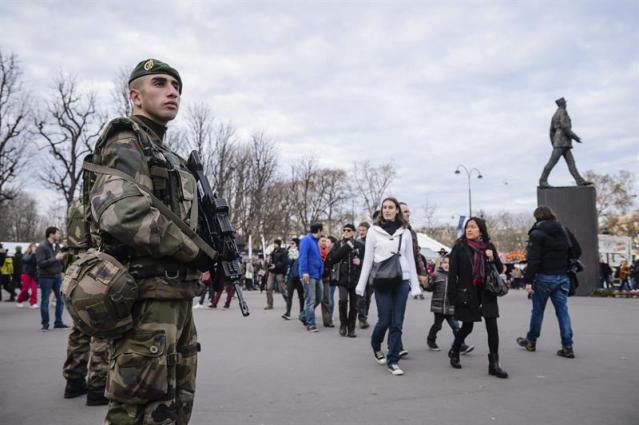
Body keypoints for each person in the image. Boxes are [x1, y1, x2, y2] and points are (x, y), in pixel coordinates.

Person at [89, 59, 206, 424]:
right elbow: (122, 212)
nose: (172, 91)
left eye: (177, 86)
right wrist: (195, 250)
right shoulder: (126, 138)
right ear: (135, 96)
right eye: (160, 83)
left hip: (174, 297)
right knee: (137, 409)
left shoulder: (164, 152)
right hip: (146, 299)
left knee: (173, 404)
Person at [356, 197, 422, 376]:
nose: (387, 210)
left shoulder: (405, 232)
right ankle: (376, 345)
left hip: (401, 280)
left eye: (391, 207)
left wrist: (415, 286)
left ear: (397, 211)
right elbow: (368, 260)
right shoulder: (373, 231)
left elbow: (411, 259)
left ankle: (393, 360)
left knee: (397, 322)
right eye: (384, 207)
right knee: (384, 319)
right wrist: (361, 285)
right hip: (382, 279)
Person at [447, 217, 508, 379]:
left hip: (487, 292)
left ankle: (494, 364)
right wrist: (452, 296)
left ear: (480, 230)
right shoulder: (459, 247)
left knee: (492, 327)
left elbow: (501, 269)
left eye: (473, 227)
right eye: (467, 227)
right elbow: (453, 274)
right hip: (468, 292)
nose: (469, 229)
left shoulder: (489, 247)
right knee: (467, 327)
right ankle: (455, 349)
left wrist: (492, 257)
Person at [517, 206, 581, 359]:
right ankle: (567, 346)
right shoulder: (564, 230)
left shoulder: (537, 233)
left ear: (537, 217)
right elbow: (577, 251)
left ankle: (531, 341)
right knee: (563, 312)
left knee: (538, 311)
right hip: (563, 276)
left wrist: (528, 280)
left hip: (544, 277)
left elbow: (534, 260)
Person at [539, 97, 592, 187]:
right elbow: (565, 127)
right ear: (563, 104)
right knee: (552, 162)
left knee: (571, 163)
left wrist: (554, 142)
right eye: (565, 103)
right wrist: (575, 137)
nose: (566, 104)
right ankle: (542, 180)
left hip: (561, 142)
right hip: (562, 142)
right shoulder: (562, 112)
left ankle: (579, 181)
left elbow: (551, 131)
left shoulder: (555, 114)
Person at [426, 256, 473, 354]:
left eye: (450, 263)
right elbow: (429, 288)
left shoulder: (455, 276)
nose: (447, 265)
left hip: (451, 307)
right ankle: (431, 340)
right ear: (441, 264)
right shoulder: (437, 275)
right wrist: (427, 281)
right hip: (438, 306)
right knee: (437, 326)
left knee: (456, 326)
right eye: (445, 262)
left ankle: (461, 344)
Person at [327, 224, 364, 337]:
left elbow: (367, 260)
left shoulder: (360, 245)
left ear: (353, 232)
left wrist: (360, 262)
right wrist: (344, 248)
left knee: (354, 305)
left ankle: (351, 328)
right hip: (342, 279)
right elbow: (331, 260)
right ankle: (343, 325)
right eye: (344, 230)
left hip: (356, 279)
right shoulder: (338, 244)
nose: (346, 232)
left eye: (348, 230)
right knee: (343, 301)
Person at [36, 226, 67, 331]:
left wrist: (62, 266)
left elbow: (60, 260)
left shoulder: (57, 245)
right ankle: (45, 324)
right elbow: (40, 263)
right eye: (57, 233)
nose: (59, 235)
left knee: (60, 300)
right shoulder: (42, 246)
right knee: (45, 301)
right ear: (51, 234)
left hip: (57, 276)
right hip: (46, 277)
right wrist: (55, 258)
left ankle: (58, 322)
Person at [399, 202, 429, 300]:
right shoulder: (385, 231)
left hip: (404, 276)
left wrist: (422, 273)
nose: (408, 214)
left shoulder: (411, 233)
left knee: (399, 313)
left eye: (408, 211)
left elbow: (416, 254)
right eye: (405, 211)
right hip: (386, 275)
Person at [299, 223, 324, 332]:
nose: (322, 234)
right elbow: (303, 256)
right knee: (310, 299)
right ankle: (311, 324)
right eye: (321, 231)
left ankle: (304, 315)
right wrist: (304, 272)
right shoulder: (306, 240)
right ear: (318, 230)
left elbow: (317, 258)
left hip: (317, 275)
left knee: (319, 297)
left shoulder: (315, 241)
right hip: (308, 274)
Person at [282, 238, 304, 321]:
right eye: (290, 243)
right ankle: (287, 313)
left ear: (297, 244)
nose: (291, 245)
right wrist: (290, 257)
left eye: (293, 243)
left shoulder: (301, 252)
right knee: (289, 295)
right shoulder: (288, 253)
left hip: (299, 276)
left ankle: (302, 312)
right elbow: (286, 263)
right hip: (291, 276)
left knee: (301, 296)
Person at [356, 222, 372, 329]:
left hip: (371, 274)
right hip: (360, 274)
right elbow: (356, 259)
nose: (361, 232)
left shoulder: (372, 243)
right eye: (360, 230)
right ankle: (361, 319)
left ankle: (364, 316)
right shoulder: (357, 243)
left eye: (363, 230)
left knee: (368, 297)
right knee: (362, 296)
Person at [265, 239, 288, 310]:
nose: (274, 245)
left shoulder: (283, 252)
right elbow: (270, 260)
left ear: (279, 244)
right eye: (274, 244)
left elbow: (284, 262)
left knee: (282, 289)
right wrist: (267, 260)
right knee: (268, 288)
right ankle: (270, 304)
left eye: (275, 244)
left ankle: (288, 301)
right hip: (272, 271)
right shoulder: (272, 252)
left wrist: (276, 265)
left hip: (279, 272)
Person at [16, 243, 38, 308]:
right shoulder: (26, 254)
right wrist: (33, 253)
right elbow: (27, 260)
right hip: (26, 273)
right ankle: (19, 301)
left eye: (35, 247)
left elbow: (36, 262)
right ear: (30, 248)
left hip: (34, 274)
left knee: (34, 289)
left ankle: (33, 303)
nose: (34, 248)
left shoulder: (37, 255)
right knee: (25, 289)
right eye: (33, 247)